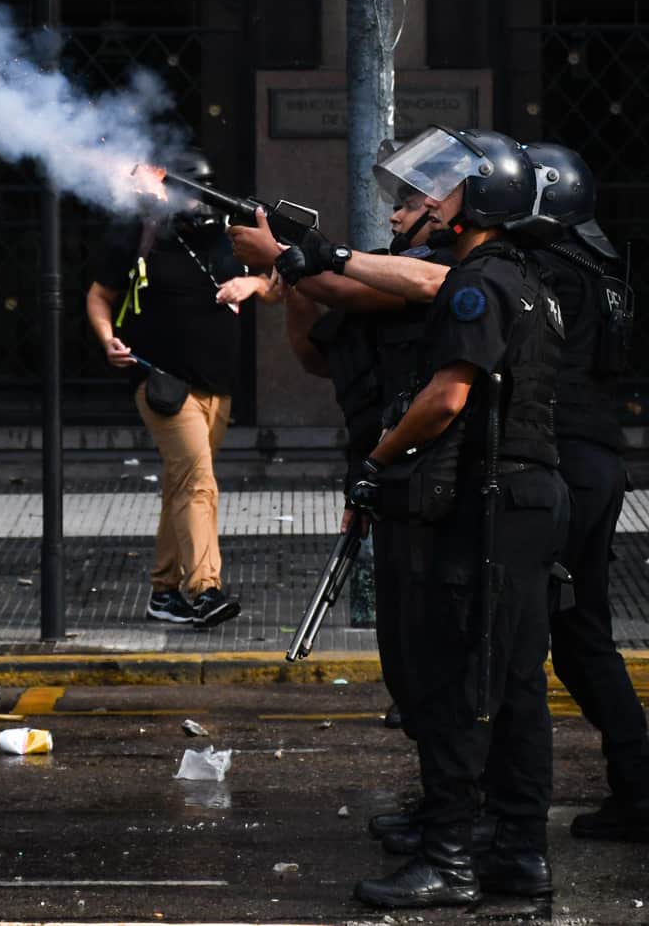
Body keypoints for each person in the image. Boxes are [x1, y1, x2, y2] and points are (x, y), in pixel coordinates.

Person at [332, 127, 566, 909]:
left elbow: (447, 396)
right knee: (515, 683)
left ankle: (450, 861)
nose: (424, 201)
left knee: (459, 680)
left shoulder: (477, 285)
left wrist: (377, 460)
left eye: (443, 189)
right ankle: (519, 852)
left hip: (489, 503)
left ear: (483, 202)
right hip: (528, 496)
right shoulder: (521, 277)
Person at [231, 170, 452, 740]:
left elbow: (351, 287)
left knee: (433, 630)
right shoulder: (382, 263)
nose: (394, 217)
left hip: (433, 472)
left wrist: (285, 256)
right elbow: (317, 354)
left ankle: (455, 797)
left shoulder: (438, 269)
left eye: (406, 206)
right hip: (383, 464)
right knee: (399, 627)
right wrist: (296, 280)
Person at [511, 142, 649, 844]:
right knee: (582, 637)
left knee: (517, 631)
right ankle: (638, 794)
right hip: (599, 461)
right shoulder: (599, 267)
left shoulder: (545, 267)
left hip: (560, 461)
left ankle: (497, 814)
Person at [86, 155, 277, 629]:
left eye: (204, 190)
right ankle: (204, 590)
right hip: (162, 383)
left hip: (216, 384)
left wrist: (251, 284)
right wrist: (106, 336)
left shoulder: (233, 234)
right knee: (198, 483)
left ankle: (164, 593)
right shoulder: (141, 233)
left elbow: (278, 285)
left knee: (181, 487)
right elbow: (99, 296)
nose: (196, 200)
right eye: (187, 190)